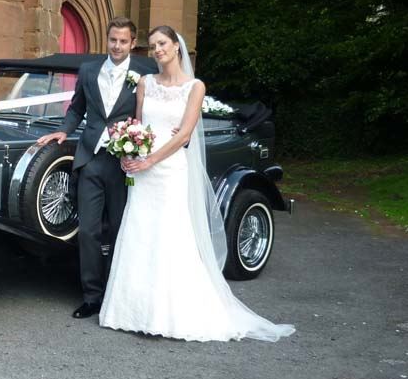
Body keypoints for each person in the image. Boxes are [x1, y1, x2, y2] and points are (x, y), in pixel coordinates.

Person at [99, 25, 295, 341]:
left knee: (169, 235)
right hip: (141, 169)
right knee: (139, 230)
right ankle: (131, 312)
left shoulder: (195, 87)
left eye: (162, 43)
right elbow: (138, 125)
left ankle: (167, 315)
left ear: (176, 46)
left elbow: (186, 135)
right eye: (152, 46)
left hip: (169, 169)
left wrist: (149, 159)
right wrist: (128, 151)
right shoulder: (145, 84)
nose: (157, 50)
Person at [36, 17, 157, 319]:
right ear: (107, 40)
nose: (116, 46)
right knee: (88, 231)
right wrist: (64, 130)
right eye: (112, 40)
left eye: (123, 41)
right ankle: (91, 296)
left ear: (132, 43)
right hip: (90, 158)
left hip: (123, 163)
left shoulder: (145, 73)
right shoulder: (89, 71)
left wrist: (143, 147)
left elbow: (150, 113)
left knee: (120, 230)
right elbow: (77, 107)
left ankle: (117, 294)